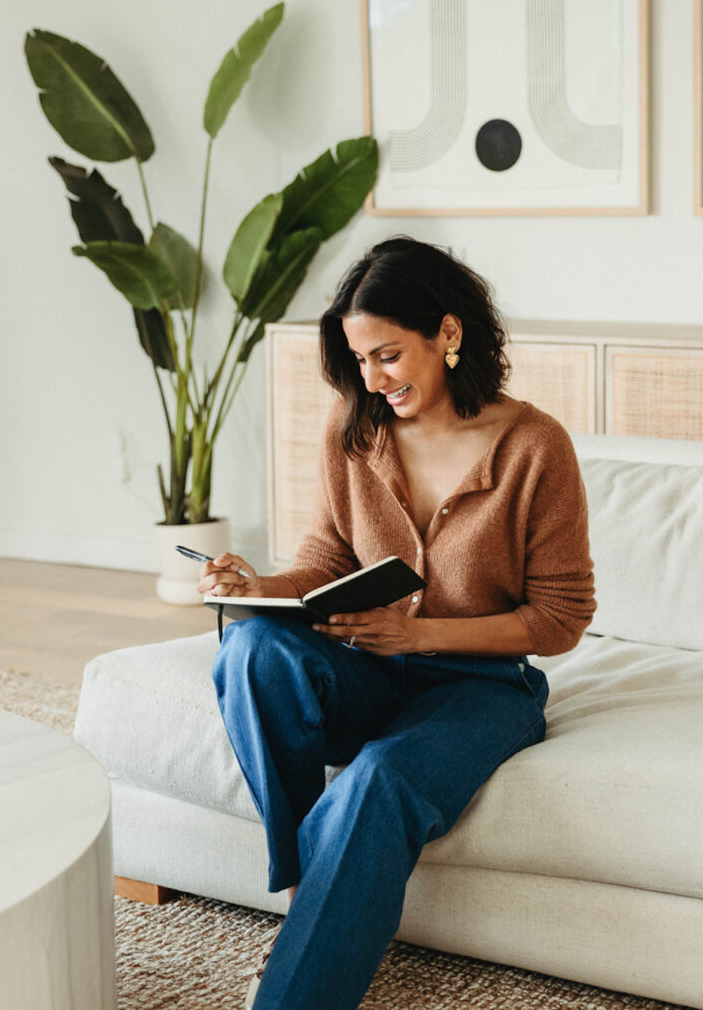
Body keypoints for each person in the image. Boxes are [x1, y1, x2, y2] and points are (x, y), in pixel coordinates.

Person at [201, 236, 595, 1010]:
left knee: (377, 782)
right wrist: (260, 584)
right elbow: (326, 555)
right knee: (253, 649)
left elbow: (558, 619)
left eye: (387, 356)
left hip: (482, 688)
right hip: (368, 671)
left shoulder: (532, 447)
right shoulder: (354, 432)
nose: (372, 381)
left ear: (447, 335)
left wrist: (420, 635)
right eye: (358, 362)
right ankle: (314, 895)